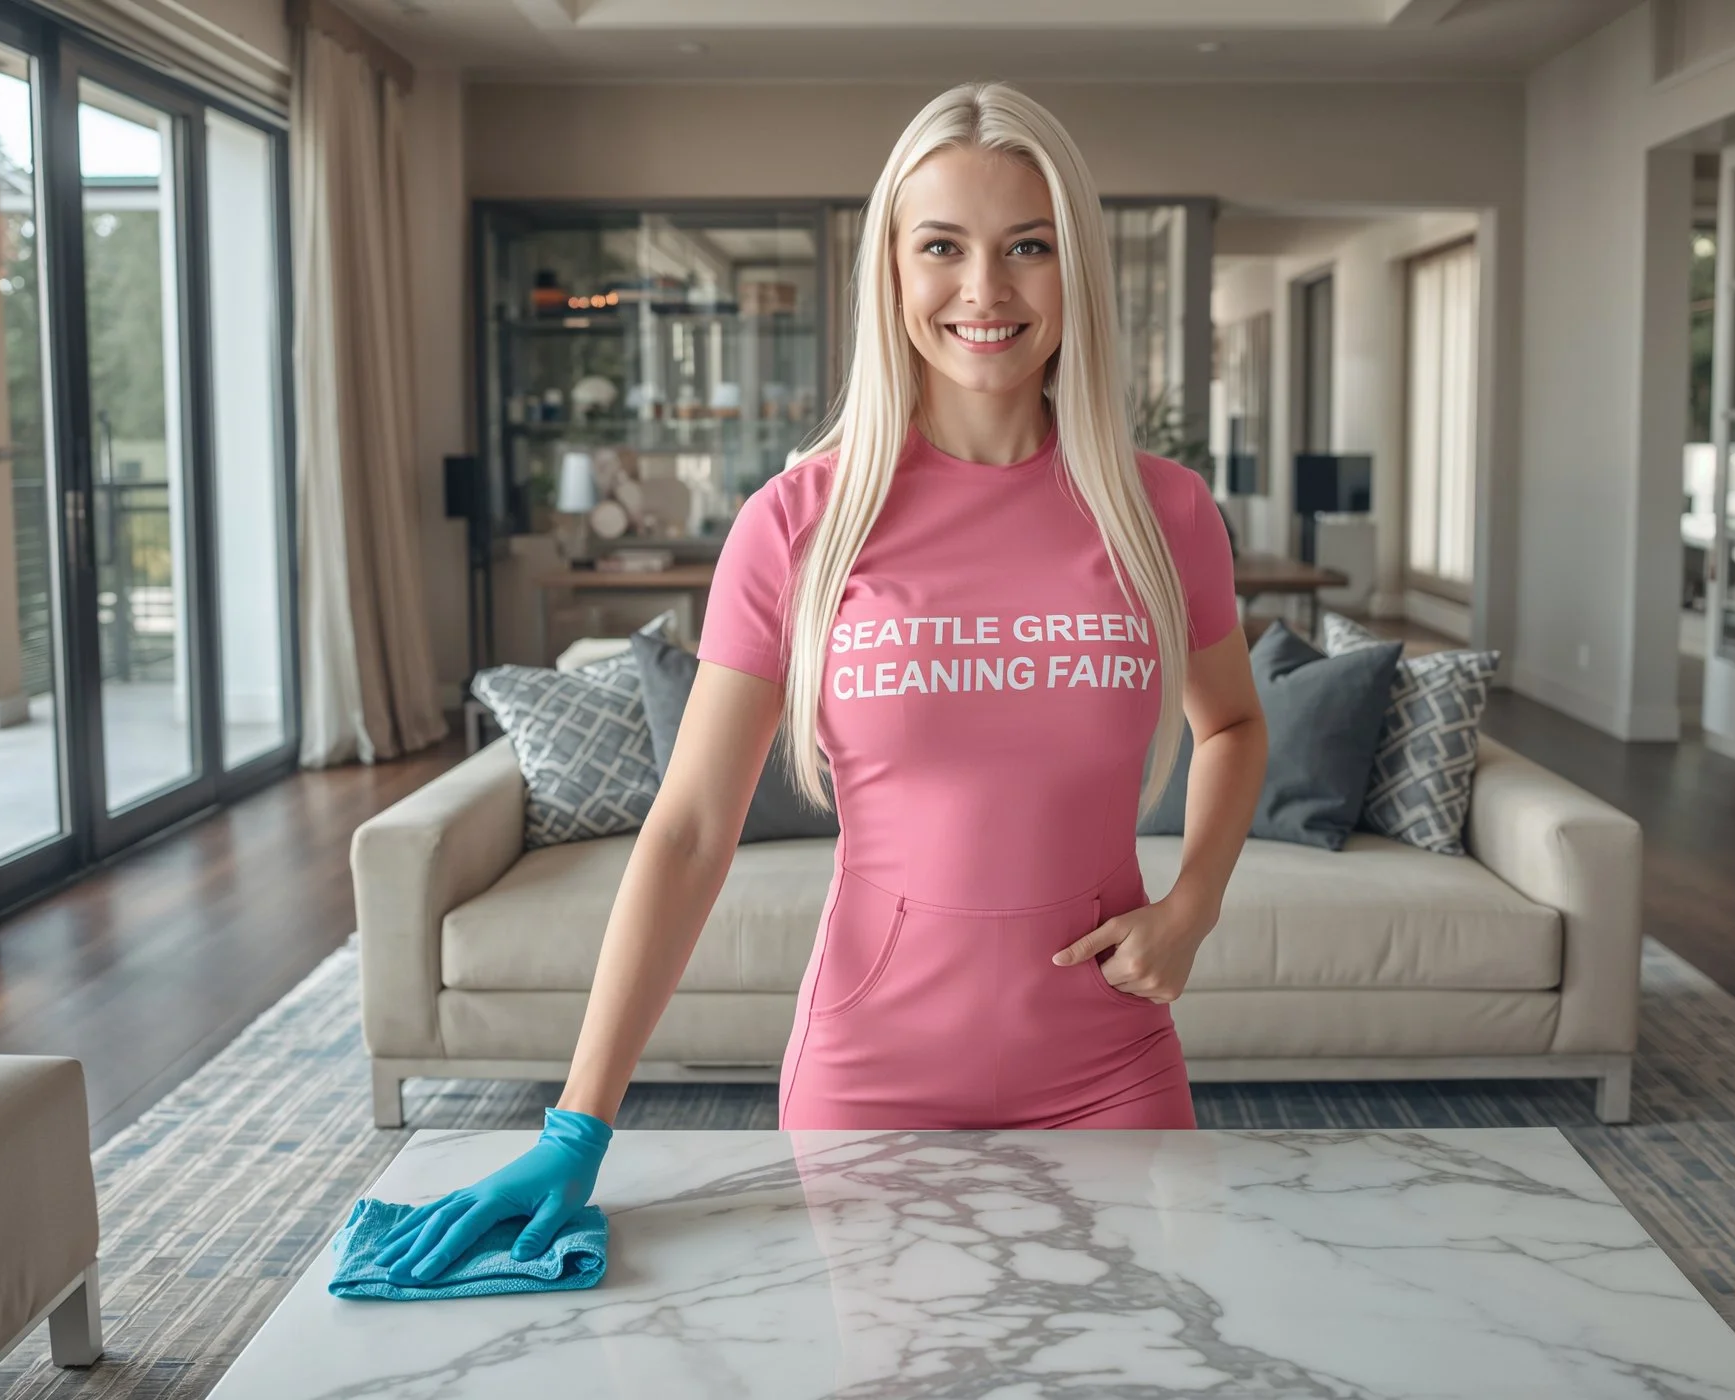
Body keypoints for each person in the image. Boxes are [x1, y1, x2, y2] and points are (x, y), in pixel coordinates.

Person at [378, 80, 1268, 1285]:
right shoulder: (801, 521)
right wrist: (575, 1122)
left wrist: (1193, 901)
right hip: (871, 1064)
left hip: (1110, 1064)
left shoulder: (1163, 510)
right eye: (941, 247)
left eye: (1027, 248)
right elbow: (690, 829)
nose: (985, 292)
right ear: (891, 271)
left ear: (1077, 269)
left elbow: (1233, 724)